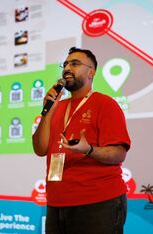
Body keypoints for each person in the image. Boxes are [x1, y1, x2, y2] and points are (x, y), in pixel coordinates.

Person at [32, 47, 131, 234]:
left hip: (98, 203)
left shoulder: (105, 104)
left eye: (75, 64)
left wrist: (89, 150)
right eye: (66, 64)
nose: (68, 68)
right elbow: (40, 148)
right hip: (56, 203)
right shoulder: (56, 107)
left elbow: (119, 153)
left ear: (91, 72)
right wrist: (47, 112)